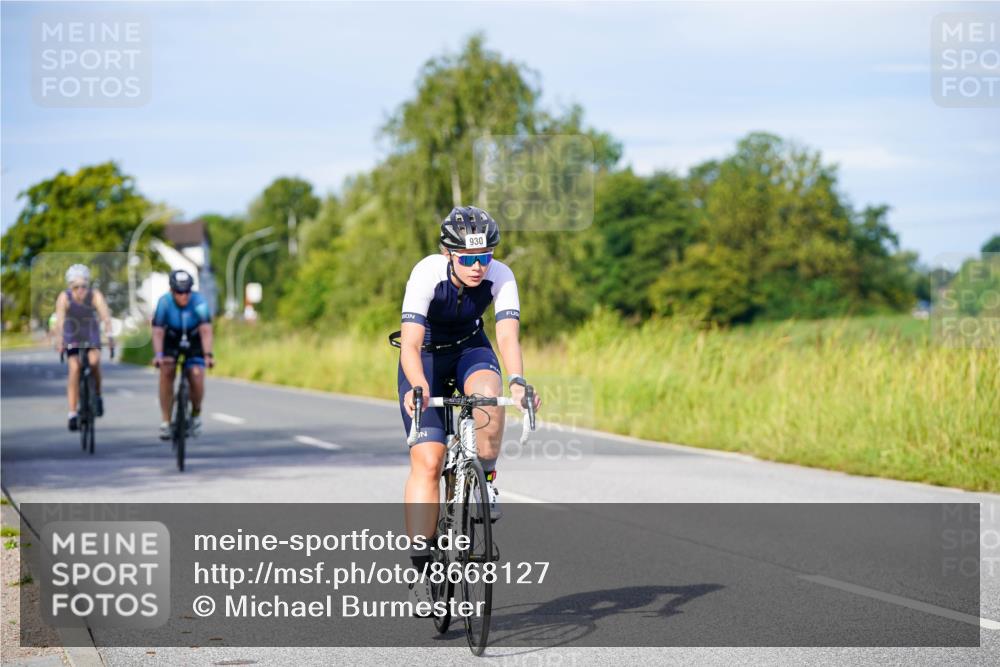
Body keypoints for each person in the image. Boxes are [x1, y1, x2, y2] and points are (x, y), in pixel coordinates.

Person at [397, 206, 541, 608]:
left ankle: (486, 479)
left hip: (469, 350)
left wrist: (517, 381)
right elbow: (409, 343)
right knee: (428, 461)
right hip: (424, 356)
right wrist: (420, 386)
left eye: (486, 256)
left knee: (489, 399)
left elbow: (508, 337)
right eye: (468, 259)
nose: (478, 267)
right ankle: (423, 571)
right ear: (448, 254)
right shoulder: (426, 273)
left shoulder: (501, 275)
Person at [152, 269, 214, 440]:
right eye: (180, 292)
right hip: (171, 338)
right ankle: (166, 421)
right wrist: (158, 355)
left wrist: (208, 354)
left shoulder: (199, 301)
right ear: (172, 291)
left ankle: (195, 414)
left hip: (193, 338)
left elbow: (206, 330)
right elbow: (157, 332)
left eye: (187, 291)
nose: (184, 295)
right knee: (166, 371)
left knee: (196, 374)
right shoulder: (164, 303)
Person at [54, 264, 113, 431]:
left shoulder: (95, 295)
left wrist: (109, 336)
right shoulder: (64, 297)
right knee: (74, 368)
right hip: (72, 332)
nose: (80, 290)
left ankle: (98, 396)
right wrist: (60, 341)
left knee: (94, 362)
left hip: (90, 331)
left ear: (88, 285)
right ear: (70, 286)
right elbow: (59, 322)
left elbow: (105, 316)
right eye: (76, 287)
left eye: (84, 286)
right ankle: (72, 413)